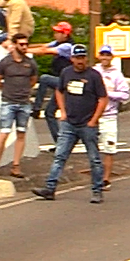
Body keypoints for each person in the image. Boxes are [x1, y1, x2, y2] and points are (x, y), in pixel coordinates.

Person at [32, 44, 108, 203]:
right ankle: (50, 188)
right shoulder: (66, 73)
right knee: (60, 156)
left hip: (87, 124)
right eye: (77, 58)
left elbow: (103, 98)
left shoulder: (94, 76)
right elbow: (59, 91)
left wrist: (94, 120)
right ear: (72, 58)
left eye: (82, 58)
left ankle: (97, 190)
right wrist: (63, 112)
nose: (80, 61)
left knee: (94, 158)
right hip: (69, 123)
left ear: (86, 58)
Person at [27, 22, 74, 145]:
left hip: (67, 82)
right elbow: (43, 46)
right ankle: (60, 143)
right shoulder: (58, 43)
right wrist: (24, 45)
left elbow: (45, 51)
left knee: (44, 78)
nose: (55, 34)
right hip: (60, 83)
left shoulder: (67, 46)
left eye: (58, 32)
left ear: (65, 34)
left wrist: (21, 50)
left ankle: (36, 108)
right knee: (49, 113)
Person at [0, 33, 37, 177]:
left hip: (24, 102)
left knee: (21, 134)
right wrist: (6, 88)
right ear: (15, 45)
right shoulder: (5, 62)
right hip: (8, 101)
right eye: (21, 44)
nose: (25, 47)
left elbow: (33, 79)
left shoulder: (30, 63)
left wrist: (26, 90)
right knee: (4, 134)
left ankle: (16, 165)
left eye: (26, 44)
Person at [94, 45, 130, 191]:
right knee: (92, 147)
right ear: (99, 56)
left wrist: (109, 94)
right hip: (94, 115)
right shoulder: (94, 71)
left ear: (111, 57)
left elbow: (125, 95)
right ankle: (96, 176)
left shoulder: (117, 75)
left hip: (109, 116)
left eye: (107, 55)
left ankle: (106, 179)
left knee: (109, 148)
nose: (105, 58)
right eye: (102, 54)